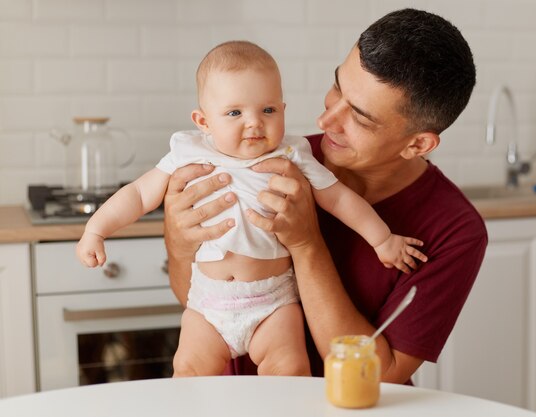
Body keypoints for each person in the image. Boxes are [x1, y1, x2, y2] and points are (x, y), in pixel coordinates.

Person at [163, 8, 488, 383]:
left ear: (418, 144)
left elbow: (378, 374)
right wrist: (179, 242)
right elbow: (200, 300)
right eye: (337, 87)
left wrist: (306, 244)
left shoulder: (455, 230)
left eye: (361, 118)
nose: (326, 121)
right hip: (231, 397)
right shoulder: (273, 160)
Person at [75, 40, 427, 378]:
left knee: (289, 370)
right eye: (234, 112)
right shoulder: (189, 152)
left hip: (272, 301)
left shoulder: (292, 154)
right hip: (208, 303)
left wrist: (382, 240)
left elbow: (338, 198)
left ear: (283, 110)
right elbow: (137, 195)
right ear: (203, 121)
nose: (254, 122)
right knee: (189, 371)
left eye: (268, 110)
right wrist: (97, 229)